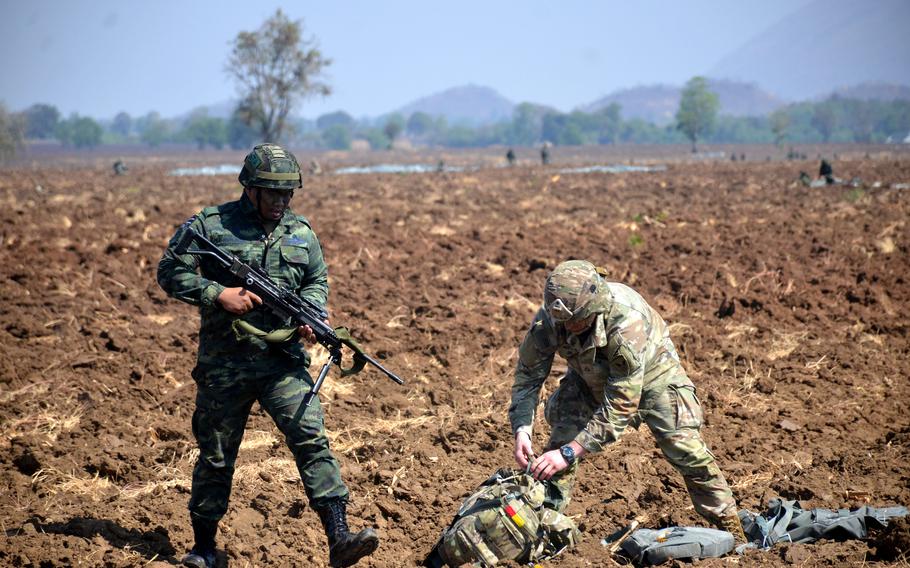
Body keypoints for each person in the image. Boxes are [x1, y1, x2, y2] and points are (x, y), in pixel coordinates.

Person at [157, 143, 379, 568]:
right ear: (251, 189)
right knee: (217, 455)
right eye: (273, 193)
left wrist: (312, 314)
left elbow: (316, 280)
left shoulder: (301, 233)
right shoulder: (211, 225)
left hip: (283, 363)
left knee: (311, 439)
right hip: (225, 364)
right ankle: (204, 548)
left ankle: (339, 536)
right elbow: (170, 270)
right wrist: (217, 293)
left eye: (287, 194)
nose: (281, 202)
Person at [509, 260, 747, 542]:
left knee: (686, 451)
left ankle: (730, 529)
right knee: (559, 441)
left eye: (576, 322)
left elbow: (621, 402)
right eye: (563, 322)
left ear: (594, 307)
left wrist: (570, 453)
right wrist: (522, 429)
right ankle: (544, 528)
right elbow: (527, 377)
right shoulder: (553, 319)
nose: (569, 328)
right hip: (587, 376)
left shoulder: (625, 321)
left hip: (653, 378)